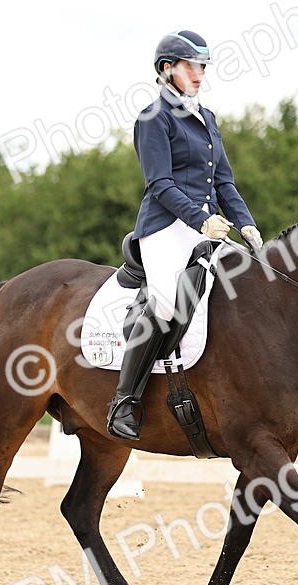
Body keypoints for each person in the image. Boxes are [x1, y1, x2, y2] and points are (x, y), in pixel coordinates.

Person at [106, 29, 264, 440]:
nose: (200, 74)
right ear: (167, 70)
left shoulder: (206, 118)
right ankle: (125, 402)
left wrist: (244, 222)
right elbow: (160, 183)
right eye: (193, 66)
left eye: (203, 66)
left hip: (205, 226)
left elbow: (224, 183)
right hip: (165, 229)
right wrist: (201, 220)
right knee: (162, 303)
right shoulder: (152, 119)